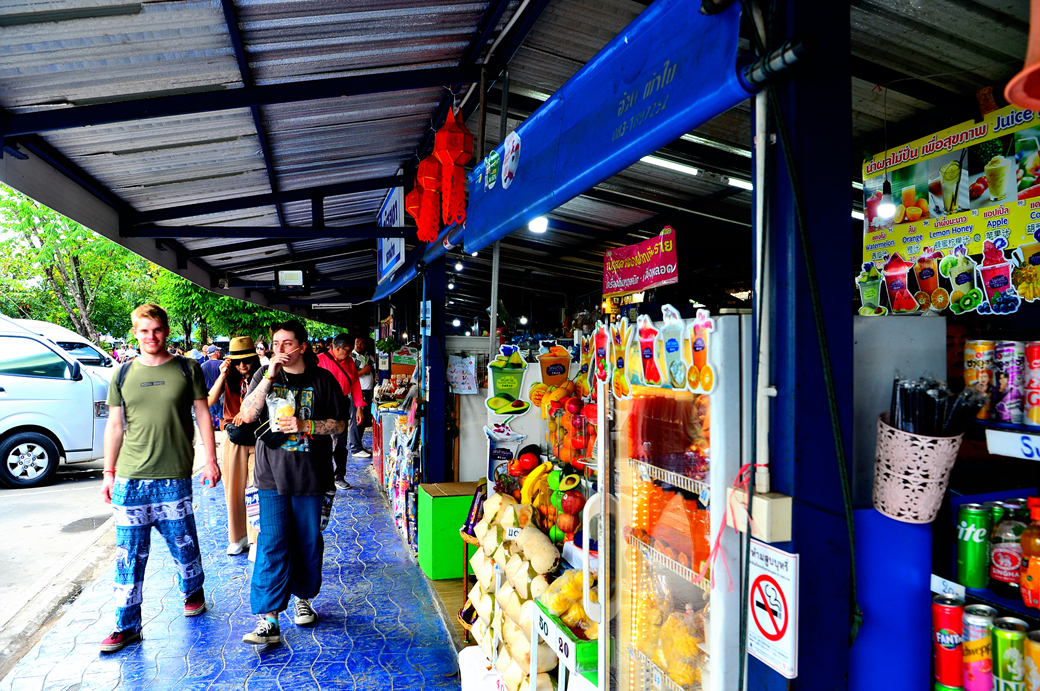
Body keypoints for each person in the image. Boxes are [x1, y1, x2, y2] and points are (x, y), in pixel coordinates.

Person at [99, 304, 219, 653]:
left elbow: (202, 414)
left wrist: (211, 461)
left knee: (184, 544)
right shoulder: (122, 373)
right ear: (135, 333)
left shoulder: (187, 368)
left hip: (174, 477)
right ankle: (126, 626)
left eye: (157, 330)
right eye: (144, 330)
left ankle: (193, 590)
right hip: (130, 479)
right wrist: (108, 472)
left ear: (166, 331)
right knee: (129, 556)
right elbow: (115, 426)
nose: (151, 337)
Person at [236, 320, 345, 645]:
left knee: (307, 541)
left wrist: (306, 425)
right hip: (270, 476)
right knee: (271, 542)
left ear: (302, 347)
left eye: (287, 343)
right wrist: (269, 374)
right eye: (276, 344)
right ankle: (269, 619)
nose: (280, 349)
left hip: (311, 476)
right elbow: (247, 414)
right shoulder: (264, 375)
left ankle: (303, 598)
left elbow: (340, 424)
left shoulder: (322, 379)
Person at [207, 336, 261, 556]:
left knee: (257, 488)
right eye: (237, 361)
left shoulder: (262, 376)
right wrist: (223, 374)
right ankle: (238, 537)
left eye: (246, 360)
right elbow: (210, 401)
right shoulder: (229, 378)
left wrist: (247, 412)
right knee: (233, 489)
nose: (242, 365)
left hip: (257, 437)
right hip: (233, 436)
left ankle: (256, 540)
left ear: (254, 359)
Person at [317, 334, 365, 490]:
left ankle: (339, 476)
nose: (350, 354)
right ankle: (322, 475)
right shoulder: (319, 360)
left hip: (342, 403)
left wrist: (359, 407)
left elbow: (355, 383)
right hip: (322, 404)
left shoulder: (350, 362)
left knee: (341, 442)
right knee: (321, 441)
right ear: (337, 348)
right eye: (348, 350)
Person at [350, 335, 375, 458]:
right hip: (358, 392)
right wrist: (364, 371)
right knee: (356, 420)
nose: (359, 345)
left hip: (368, 391)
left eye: (362, 343)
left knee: (363, 421)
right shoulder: (351, 357)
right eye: (357, 342)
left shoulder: (369, 356)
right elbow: (351, 376)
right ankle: (355, 448)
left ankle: (359, 445)